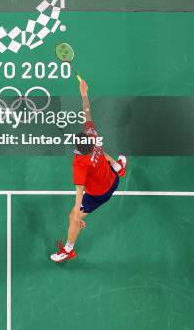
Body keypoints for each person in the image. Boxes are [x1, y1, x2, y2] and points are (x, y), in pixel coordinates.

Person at [50, 79, 127, 262]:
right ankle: (119, 167)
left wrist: (77, 214)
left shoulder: (79, 163)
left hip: (99, 194)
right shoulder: (92, 137)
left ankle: (69, 250)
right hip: (113, 179)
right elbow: (87, 114)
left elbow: (79, 191)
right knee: (103, 156)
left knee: (72, 217)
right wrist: (84, 93)